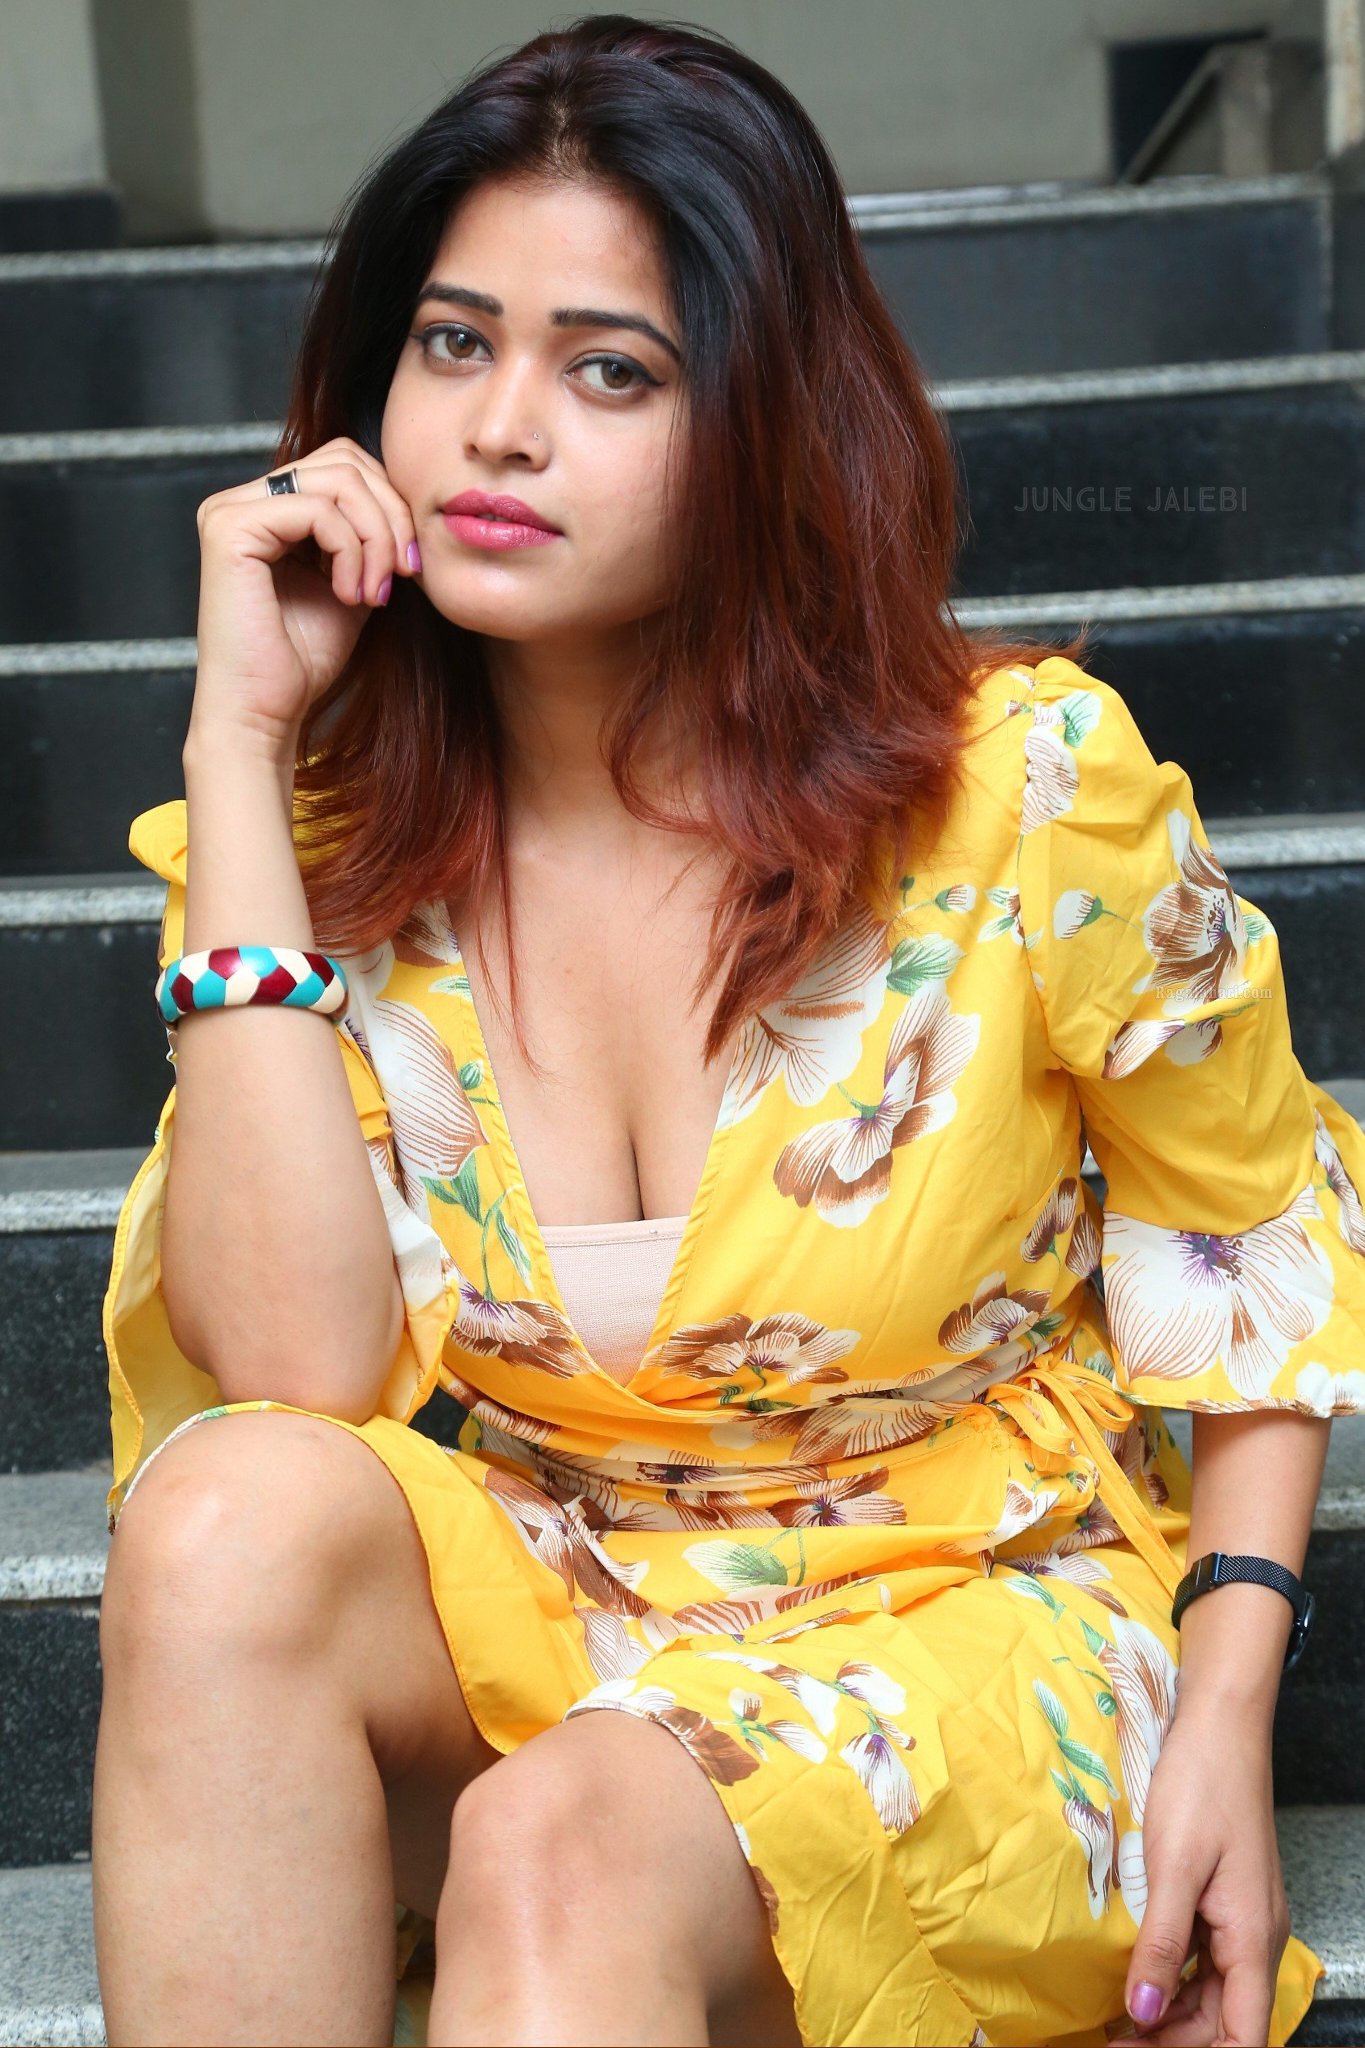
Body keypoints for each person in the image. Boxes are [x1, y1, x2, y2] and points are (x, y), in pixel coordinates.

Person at [91, 14, 1360, 2047]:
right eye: (451, 343)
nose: (501, 429)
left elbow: (1248, 1234)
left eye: (612, 368)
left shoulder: (1026, 791)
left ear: (764, 420)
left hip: (968, 1601)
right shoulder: (313, 853)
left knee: (558, 1842)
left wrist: (1226, 1698)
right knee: (222, 1515)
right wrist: (237, 747)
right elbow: (292, 1377)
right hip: (571, 1588)